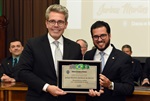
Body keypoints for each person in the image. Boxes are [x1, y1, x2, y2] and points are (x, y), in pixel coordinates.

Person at [16, 4, 82, 101]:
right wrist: (46, 87)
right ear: (46, 23)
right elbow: (22, 71)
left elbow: (79, 74)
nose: (56, 25)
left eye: (60, 22)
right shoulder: (33, 44)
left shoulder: (75, 47)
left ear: (65, 25)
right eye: (52, 21)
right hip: (39, 97)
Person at [84, 21, 134, 101]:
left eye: (103, 35)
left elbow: (129, 88)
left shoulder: (123, 58)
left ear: (109, 35)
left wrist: (110, 84)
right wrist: (87, 90)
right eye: (96, 37)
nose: (99, 39)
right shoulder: (88, 55)